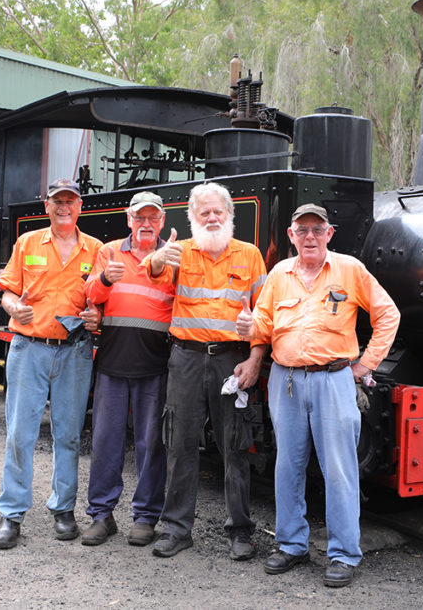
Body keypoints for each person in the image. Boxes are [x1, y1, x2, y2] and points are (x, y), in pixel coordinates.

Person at [236, 203, 400, 588]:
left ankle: (344, 553)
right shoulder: (279, 273)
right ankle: (291, 544)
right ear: (291, 236)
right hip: (286, 379)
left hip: (334, 380)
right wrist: (248, 325)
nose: (309, 236)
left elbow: (387, 314)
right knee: (286, 465)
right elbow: (263, 322)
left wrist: (365, 365)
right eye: (302, 230)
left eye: (317, 230)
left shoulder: (350, 270)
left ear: (329, 234)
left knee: (339, 469)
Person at [144, 181, 267, 561]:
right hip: (186, 358)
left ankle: (240, 531)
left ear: (230, 215)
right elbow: (152, 272)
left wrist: (256, 358)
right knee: (179, 443)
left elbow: (265, 316)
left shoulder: (250, 256)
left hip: (233, 359)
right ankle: (177, 529)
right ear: (193, 217)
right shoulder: (178, 253)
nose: (212, 217)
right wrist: (160, 258)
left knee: (235, 445)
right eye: (204, 212)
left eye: (218, 212)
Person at [0, 178, 103, 550]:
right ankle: (12, 513)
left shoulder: (96, 250)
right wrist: (11, 306)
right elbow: (6, 288)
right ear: (47, 207)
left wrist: (96, 317)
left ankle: (63, 508)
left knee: (68, 434)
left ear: (80, 207)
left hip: (75, 350)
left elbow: (103, 300)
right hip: (30, 347)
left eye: (70, 201)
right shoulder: (27, 244)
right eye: (57, 202)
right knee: (20, 433)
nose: (64, 207)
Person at [81, 191, 175, 547]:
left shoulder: (172, 257)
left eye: (153, 218)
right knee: (105, 442)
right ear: (128, 219)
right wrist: (105, 278)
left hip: (155, 364)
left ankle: (146, 517)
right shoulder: (108, 252)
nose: (146, 224)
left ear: (162, 221)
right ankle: (101, 515)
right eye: (140, 218)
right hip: (112, 362)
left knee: (152, 444)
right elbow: (89, 295)